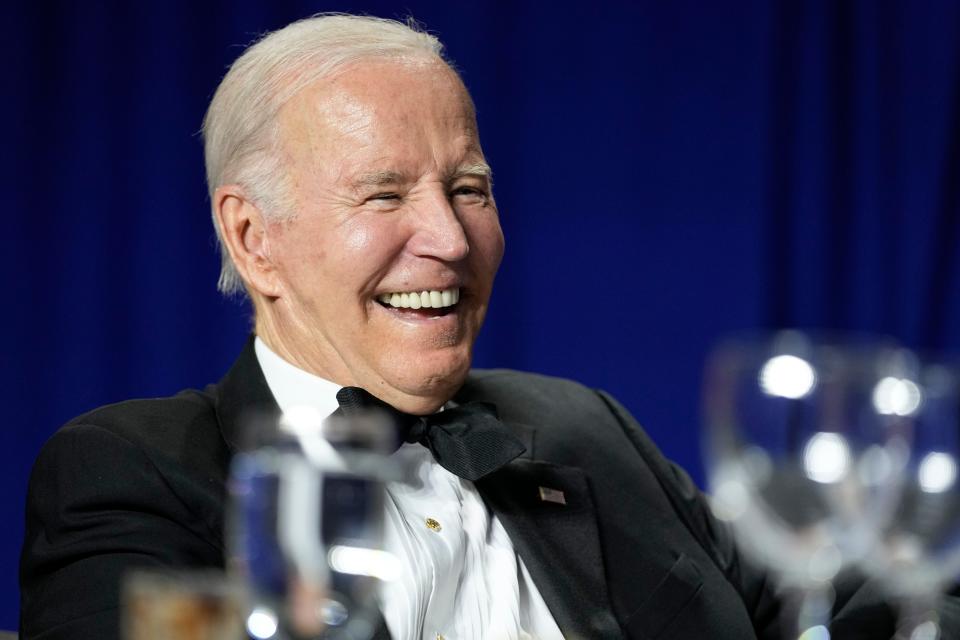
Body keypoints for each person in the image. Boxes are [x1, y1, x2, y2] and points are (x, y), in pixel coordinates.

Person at [18, 14, 921, 640]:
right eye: (384, 194)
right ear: (255, 241)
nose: (450, 240)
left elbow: (880, 595)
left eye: (469, 190)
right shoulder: (132, 474)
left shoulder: (584, 429)